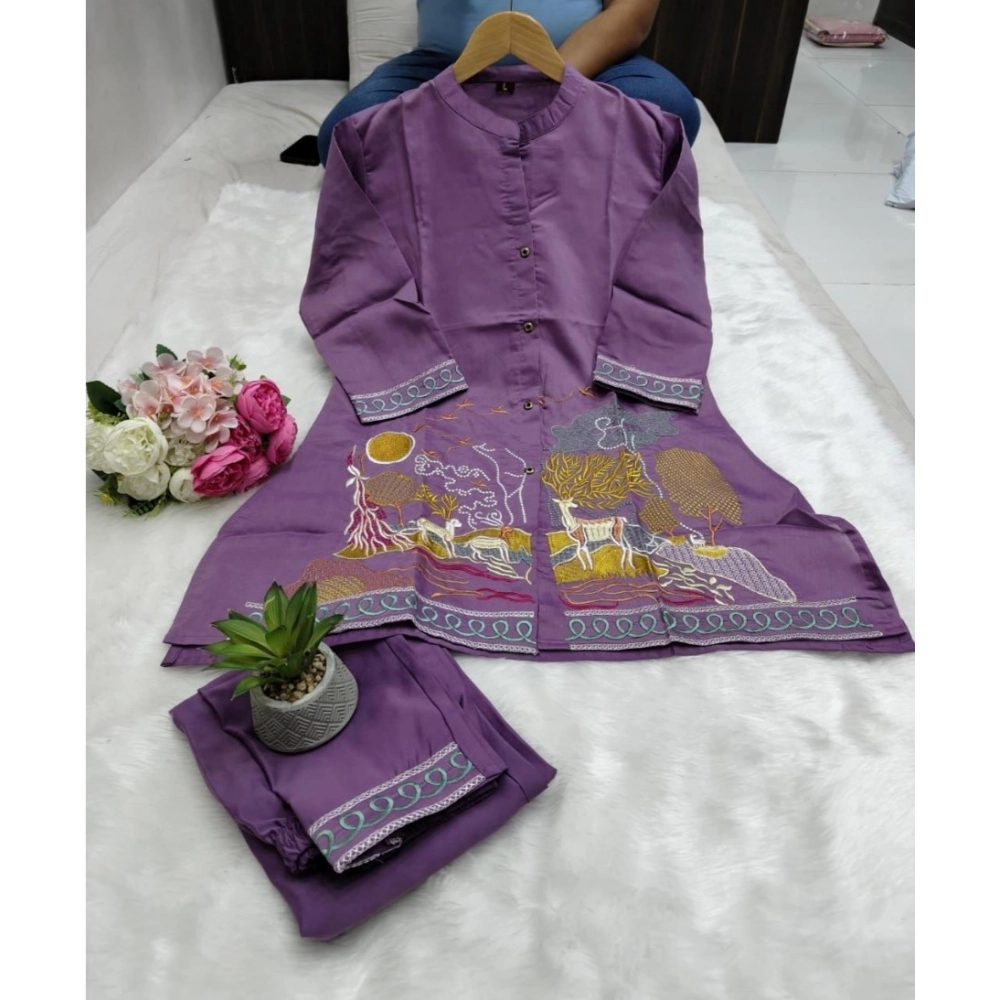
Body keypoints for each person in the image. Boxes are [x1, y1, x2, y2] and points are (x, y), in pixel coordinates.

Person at [318, 0, 699, 165]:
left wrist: (552, 89)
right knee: (346, 135)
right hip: (445, 67)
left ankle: (482, 164)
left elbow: (632, 13)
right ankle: (533, 165)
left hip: (586, 68)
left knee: (666, 111)